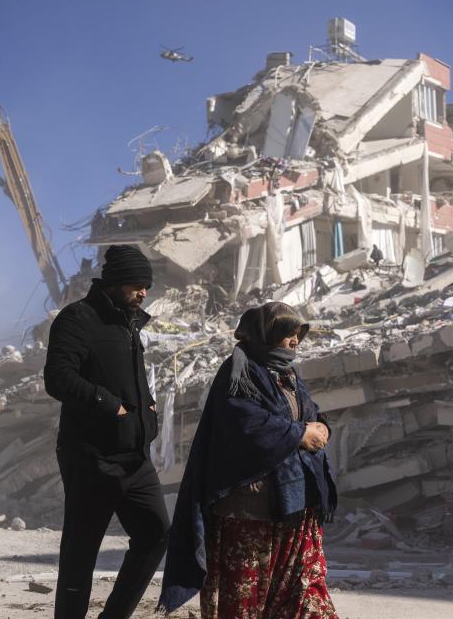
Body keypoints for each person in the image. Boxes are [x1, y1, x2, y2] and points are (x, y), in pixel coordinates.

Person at [159, 302, 338, 618]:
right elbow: (244, 424)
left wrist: (320, 425)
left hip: (296, 505)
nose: (295, 342)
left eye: (298, 335)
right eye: (288, 335)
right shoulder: (239, 371)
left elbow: (305, 412)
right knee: (245, 602)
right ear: (265, 335)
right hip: (251, 509)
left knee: (306, 598)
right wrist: (297, 434)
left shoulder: (288, 374)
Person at [44, 245, 170, 619]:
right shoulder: (77, 318)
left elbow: (132, 380)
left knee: (156, 534)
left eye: (146, 285)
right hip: (90, 456)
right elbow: (58, 378)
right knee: (81, 552)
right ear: (114, 281)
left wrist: (147, 409)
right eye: (136, 284)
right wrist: (108, 404)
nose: (143, 292)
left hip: (134, 458)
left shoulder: (129, 323)